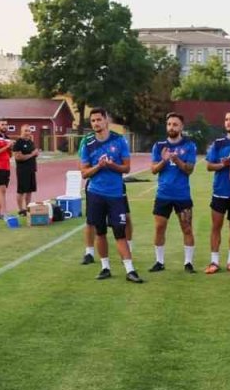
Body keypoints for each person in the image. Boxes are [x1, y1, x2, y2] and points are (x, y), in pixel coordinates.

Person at [80, 107, 142, 282]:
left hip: (115, 194)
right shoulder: (88, 144)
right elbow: (84, 173)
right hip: (95, 194)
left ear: (106, 120)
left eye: (99, 119)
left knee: (119, 232)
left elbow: (126, 168)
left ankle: (130, 270)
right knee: (100, 232)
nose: (96, 123)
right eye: (93, 121)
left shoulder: (119, 140)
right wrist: (99, 166)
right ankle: (105, 267)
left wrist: (111, 165)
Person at [148, 112, 198, 273]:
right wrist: (164, 160)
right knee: (159, 228)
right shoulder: (159, 146)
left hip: (182, 195)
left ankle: (188, 262)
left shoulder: (189, 145)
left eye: (175, 124)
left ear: (181, 127)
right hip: (163, 194)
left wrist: (176, 160)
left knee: (187, 228)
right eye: (169, 124)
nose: (171, 127)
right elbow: (153, 170)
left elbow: (189, 170)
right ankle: (159, 261)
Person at [204, 110, 230, 274]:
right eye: (226, 119)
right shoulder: (219, 143)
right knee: (216, 227)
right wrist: (224, 165)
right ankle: (214, 262)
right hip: (220, 191)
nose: (228, 122)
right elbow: (209, 165)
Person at [13, 125, 39, 214]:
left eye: (29, 131)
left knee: (29, 190)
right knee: (21, 190)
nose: (27, 133)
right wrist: (32, 154)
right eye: (26, 131)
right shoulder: (18, 143)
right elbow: (18, 157)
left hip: (31, 169)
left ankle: (28, 208)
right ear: (21, 131)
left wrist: (36, 153)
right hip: (22, 170)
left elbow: (35, 152)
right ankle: (20, 209)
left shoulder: (30, 142)